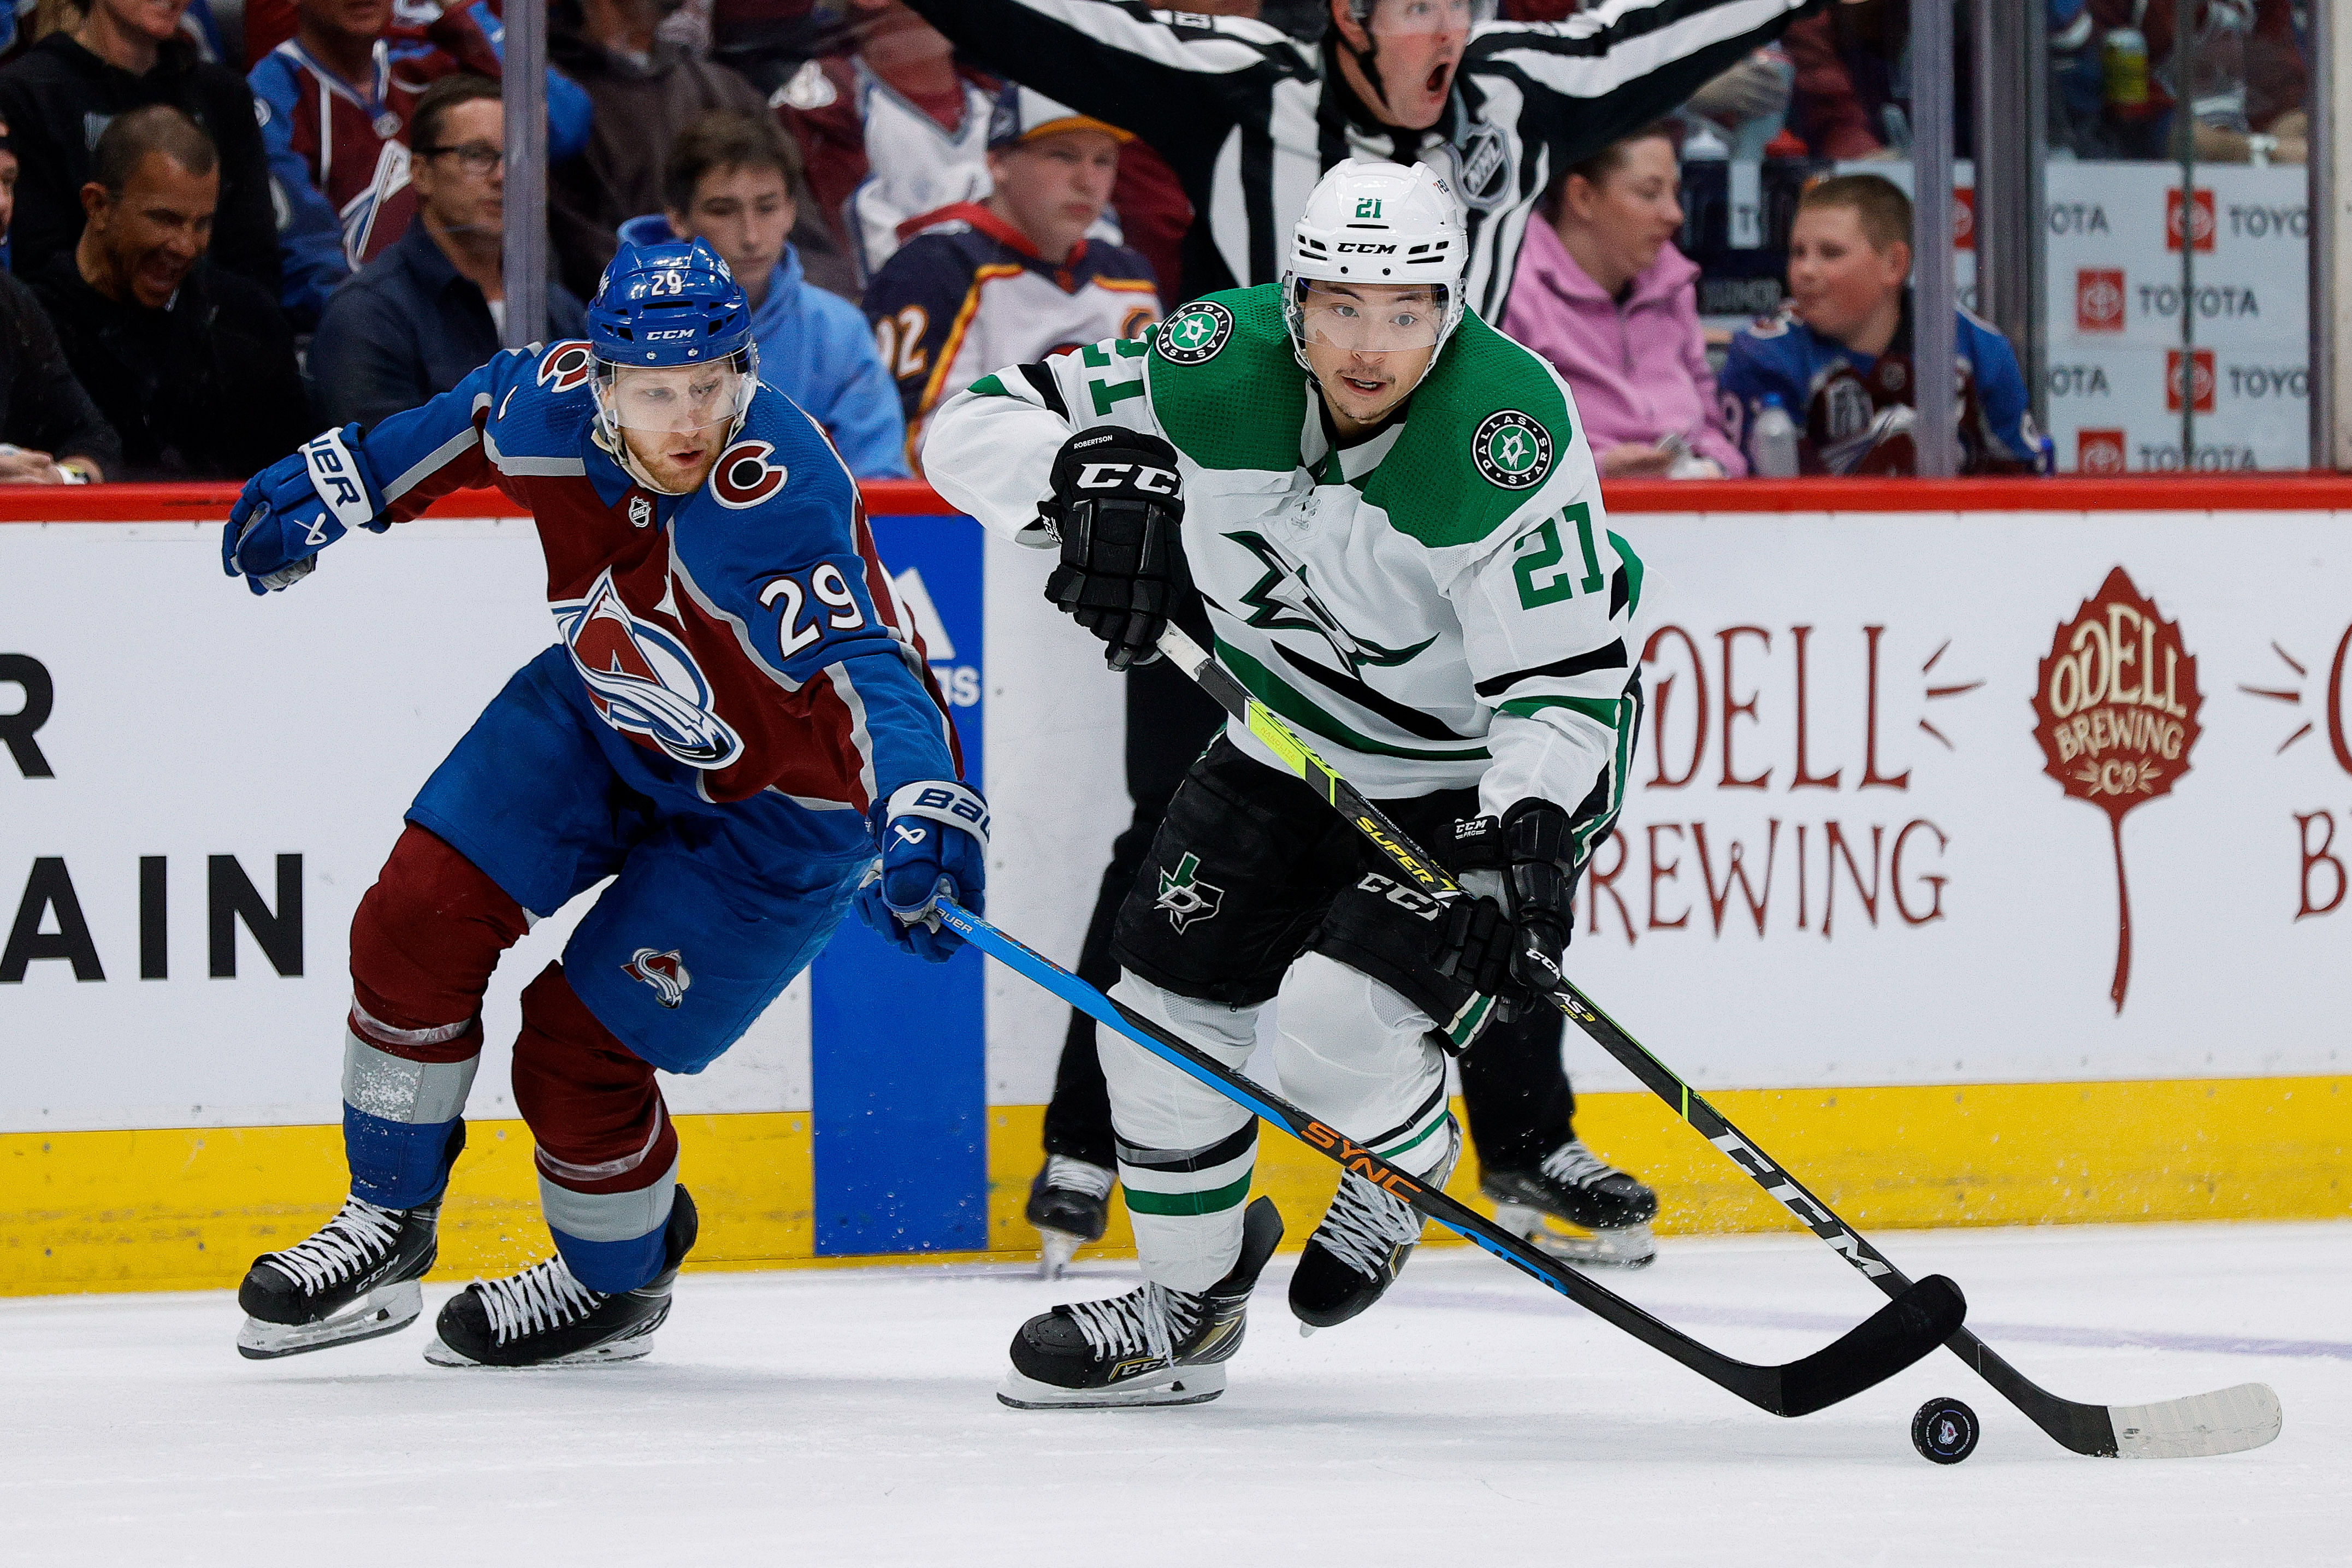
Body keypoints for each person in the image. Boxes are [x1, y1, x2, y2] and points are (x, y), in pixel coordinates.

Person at [927, 161, 1651, 1407]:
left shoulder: (1506, 430)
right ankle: (1187, 1311)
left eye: (1408, 312)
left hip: (1469, 770)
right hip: (1279, 740)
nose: (1371, 346)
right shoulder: (1219, 361)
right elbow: (968, 424)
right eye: (1342, 308)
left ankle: (1402, 1151)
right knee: (1155, 1022)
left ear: (1453, 305)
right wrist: (1086, 476)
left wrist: (1529, 823)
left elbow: (1565, 679)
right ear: (1295, 297)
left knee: (1330, 1036)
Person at [223, 236, 987, 1370]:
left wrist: (923, 800)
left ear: (744, 372)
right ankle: (386, 1214)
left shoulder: (774, 495)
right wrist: (340, 488)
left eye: (711, 387)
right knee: (413, 916)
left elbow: (864, 669)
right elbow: (458, 422)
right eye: (654, 392)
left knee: (572, 1054)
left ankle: (611, 1283)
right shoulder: (545, 398)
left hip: (784, 807)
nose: (687, 422)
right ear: (600, 377)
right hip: (605, 709)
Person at [894, 0, 1814, 321]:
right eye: (1417, 10)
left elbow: (1654, 35)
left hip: (1439, 509)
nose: (1448, 31)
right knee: (1205, 768)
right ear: (1350, 20)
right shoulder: (1244, 91)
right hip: (1250, 514)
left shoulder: (1517, 94)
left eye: (1459, 5)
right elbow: (1056, 28)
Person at [865, 86, 1158, 475]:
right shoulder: (934, 268)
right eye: (1063, 156)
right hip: (971, 523)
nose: (1088, 181)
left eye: (1104, 160)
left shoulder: (1130, 274)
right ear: (998, 161)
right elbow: (916, 443)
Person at [250, 0, 594, 328]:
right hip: (371, 333)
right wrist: (402, 330)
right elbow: (309, 266)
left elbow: (564, 124)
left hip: (481, 313)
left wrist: (464, 12)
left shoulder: (427, 67)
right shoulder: (272, 97)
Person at [618, 109, 907, 478]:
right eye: (723, 211)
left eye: (767, 208)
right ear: (678, 219)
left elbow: (878, 483)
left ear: (791, 211)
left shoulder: (839, 331)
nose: (751, 236)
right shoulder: (622, 325)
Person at [33, 106, 310, 481]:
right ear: (98, 206)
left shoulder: (247, 321)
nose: (185, 246)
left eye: (202, 224)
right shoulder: (30, 324)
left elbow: (300, 473)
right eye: (165, 219)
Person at [1720, 174, 2046, 477]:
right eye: (1797, 252)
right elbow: (1753, 507)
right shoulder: (1763, 353)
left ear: (1894, 265)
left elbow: (2028, 484)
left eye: (1830, 253)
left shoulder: (1976, 348)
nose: (1805, 270)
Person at [310, 76, 588, 431]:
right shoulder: (369, 314)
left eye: (522, 157)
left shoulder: (559, 309)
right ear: (421, 173)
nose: (504, 176)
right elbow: (387, 470)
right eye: (477, 156)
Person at [548, 0, 853, 304]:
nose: (751, 234)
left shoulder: (724, 88)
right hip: (643, 332)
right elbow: (587, 265)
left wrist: (811, 325)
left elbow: (815, 251)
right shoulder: (552, 107)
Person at [1500, 123, 1744, 480]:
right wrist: (1598, 471)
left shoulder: (1675, 285)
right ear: (1583, 197)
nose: (1675, 214)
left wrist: (1716, 468)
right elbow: (1496, 449)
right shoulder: (1509, 292)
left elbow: (1714, 428)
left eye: (1674, 193)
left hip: (1694, 510)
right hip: (1567, 514)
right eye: (1650, 194)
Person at [0, 0, 281, 299]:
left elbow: (255, 266)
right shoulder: (27, 95)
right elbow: (38, 272)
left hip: (210, 333)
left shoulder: (224, 96)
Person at [0, 115, 120, 484]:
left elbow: (97, 438)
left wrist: (63, 479)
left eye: (7, 182)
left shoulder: (11, 302)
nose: (1, 204)